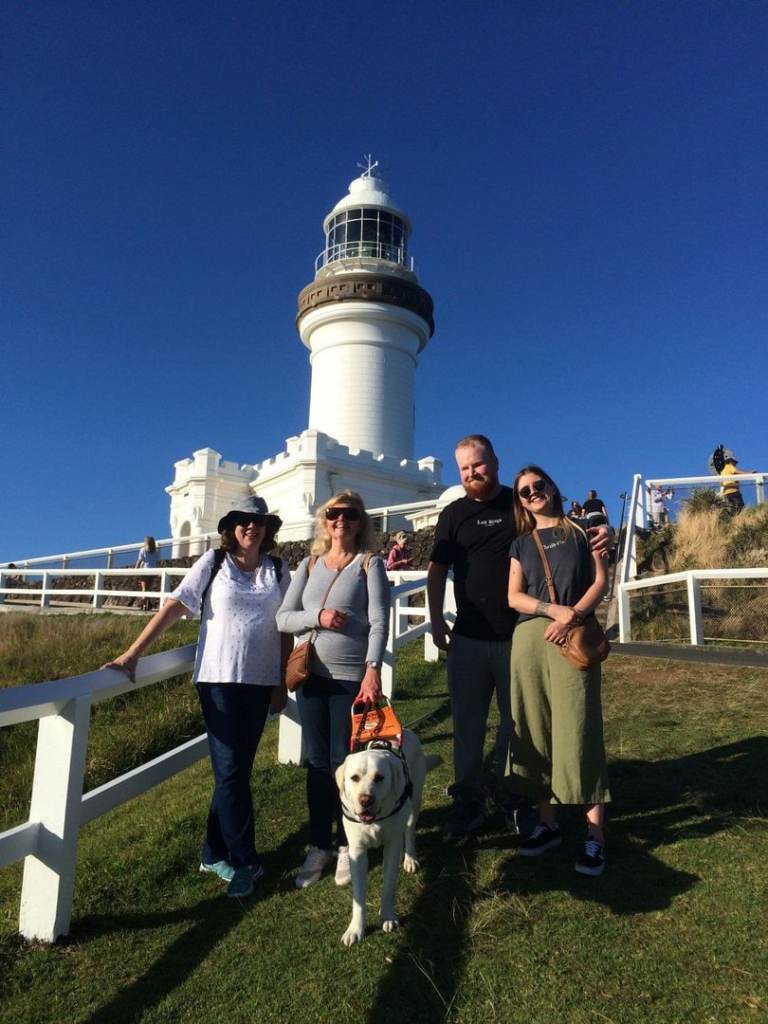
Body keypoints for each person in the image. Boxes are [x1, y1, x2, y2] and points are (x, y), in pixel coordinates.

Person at [427, 435, 613, 839]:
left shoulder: (519, 503)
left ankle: (517, 799)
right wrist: (436, 619)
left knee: (522, 725)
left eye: (478, 464)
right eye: (464, 469)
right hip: (469, 637)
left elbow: (564, 530)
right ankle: (468, 801)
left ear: (494, 460)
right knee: (469, 726)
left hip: (519, 636)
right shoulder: (454, 514)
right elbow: (437, 568)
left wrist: (604, 536)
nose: (472, 473)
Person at [104, 496, 290, 899]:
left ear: (267, 529)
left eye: (258, 521)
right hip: (218, 681)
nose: (251, 527)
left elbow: (285, 626)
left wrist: (280, 680)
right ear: (231, 527)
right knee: (231, 773)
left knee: (234, 772)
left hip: (259, 683)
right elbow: (174, 607)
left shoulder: (277, 569)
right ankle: (246, 862)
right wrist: (133, 653)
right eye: (243, 521)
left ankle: (212, 851)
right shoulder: (213, 563)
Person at [277, 491, 390, 889]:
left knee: (346, 761)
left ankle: (347, 844)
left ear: (360, 522)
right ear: (324, 521)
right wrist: (319, 616)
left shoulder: (369, 564)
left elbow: (379, 621)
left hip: (349, 679)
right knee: (316, 761)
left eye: (349, 515)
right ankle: (318, 844)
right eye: (333, 514)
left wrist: (372, 670)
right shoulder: (308, 565)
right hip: (312, 678)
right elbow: (283, 618)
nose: (340, 520)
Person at [506, 465, 610, 875]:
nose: (533, 493)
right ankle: (547, 824)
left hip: (573, 638)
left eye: (538, 486)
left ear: (552, 487)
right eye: (524, 491)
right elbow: (513, 596)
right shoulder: (519, 543)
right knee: (535, 731)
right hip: (530, 641)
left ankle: (594, 837)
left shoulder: (582, 529)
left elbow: (601, 579)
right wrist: (553, 610)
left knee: (580, 728)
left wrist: (572, 615)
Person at [716, 448, 755, 514]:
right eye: (734, 463)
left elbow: (722, 483)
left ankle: (733, 518)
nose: (735, 464)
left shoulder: (722, 471)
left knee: (732, 508)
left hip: (726, 493)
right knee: (741, 507)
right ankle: (740, 518)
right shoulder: (730, 466)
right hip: (734, 491)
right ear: (731, 461)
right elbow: (738, 472)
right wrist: (749, 473)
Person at [135, 536, 159, 610]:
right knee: (148, 588)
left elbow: (139, 561)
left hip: (145, 570)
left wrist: (135, 569)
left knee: (144, 588)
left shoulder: (143, 550)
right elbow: (157, 562)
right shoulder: (156, 551)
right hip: (153, 571)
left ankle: (144, 604)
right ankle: (148, 605)